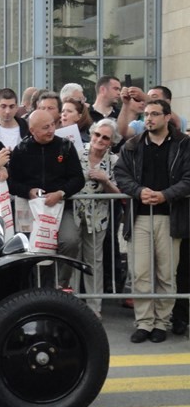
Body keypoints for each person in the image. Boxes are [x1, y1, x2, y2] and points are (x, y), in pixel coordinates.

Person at [114, 99, 190, 343]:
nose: (149, 118)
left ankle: (162, 322)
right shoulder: (133, 145)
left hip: (170, 217)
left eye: (155, 114)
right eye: (146, 114)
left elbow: (189, 178)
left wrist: (165, 194)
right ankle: (145, 322)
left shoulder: (183, 144)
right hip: (139, 218)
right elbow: (121, 175)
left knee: (166, 275)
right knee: (141, 273)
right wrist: (138, 191)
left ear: (167, 117)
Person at [7, 109, 85, 288]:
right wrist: (29, 191)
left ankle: (62, 283)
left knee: (70, 240)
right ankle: (38, 288)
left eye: (52, 125)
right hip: (31, 209)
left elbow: (78, 179)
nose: (51, 130)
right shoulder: (22, 150)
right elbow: (12, 182)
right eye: (44, 128)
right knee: (34, 249)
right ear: (32, 131)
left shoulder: (65, 146)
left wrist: (61, 193)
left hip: (60, 206)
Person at [74, 119, 121, 318]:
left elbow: (120, 193)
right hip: (73, 213)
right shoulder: (76, 151)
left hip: (98, 217)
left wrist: (105, 179)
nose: (99, 140)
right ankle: (72, 303)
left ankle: (94, 308)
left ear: (112, 142)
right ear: (91, 134)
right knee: (72, 259)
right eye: (97, 135)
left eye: (105, 138)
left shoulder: (114, 161)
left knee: (95, 260)